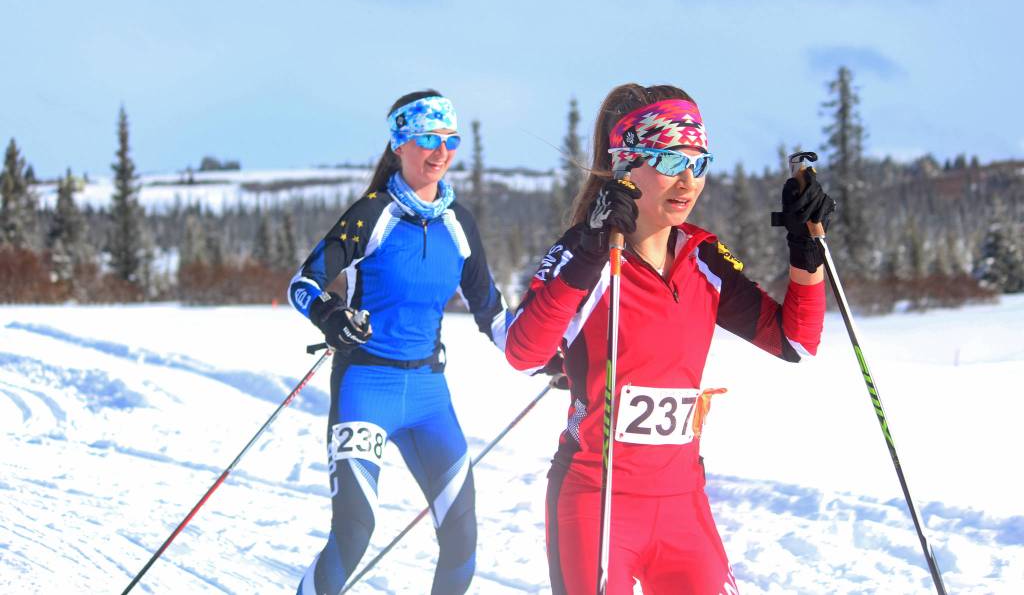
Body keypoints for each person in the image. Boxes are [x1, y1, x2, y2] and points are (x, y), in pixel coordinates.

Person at [504, 83, 836, 594]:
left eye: (698, 163)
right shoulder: (585, 252)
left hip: (683, 502)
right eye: (668, 160)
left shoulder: (703, 257)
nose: (687, 180)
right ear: (626, 164)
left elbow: (796, 342)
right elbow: (524, 354)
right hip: (595, 501)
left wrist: (804, 246)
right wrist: (591, 250)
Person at [288, 90, 512, 595]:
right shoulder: (372, 214)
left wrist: (546, 356)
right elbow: (303, 284)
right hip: (366, 387)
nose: (441, 151)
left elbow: (492, 312)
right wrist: (330, 316)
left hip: (430, 396)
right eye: (428, 138)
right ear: (399, 144)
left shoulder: (459, 223)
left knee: (462, 536)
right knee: (354, 531)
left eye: (450, 140)